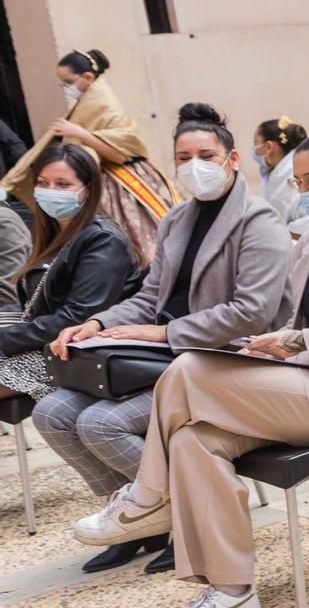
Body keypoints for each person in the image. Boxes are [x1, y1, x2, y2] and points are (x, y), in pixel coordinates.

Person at [73, 123, 309, 608]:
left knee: (189, 370)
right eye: (300, 182)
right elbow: (292, 320)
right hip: (302, 382)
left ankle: (148, 495)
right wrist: (266, 343)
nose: (303, 192)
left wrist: (300, 341)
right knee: (194, 442)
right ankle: (231, 594)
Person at [39, 103, 292, 577]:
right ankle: (139, 521)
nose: (193, 165)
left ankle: (186, 519)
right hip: (162, 356)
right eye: (183, 156)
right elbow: (151, 293)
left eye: (206, 154)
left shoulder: (261, 222)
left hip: (225, 360)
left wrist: (165, 331)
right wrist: (96, 325)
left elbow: (252, 312)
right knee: (50, 412)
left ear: (232, 160)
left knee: (100, 424)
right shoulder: (177, 219)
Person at [7, 50, 176, 267]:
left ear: (87, 77)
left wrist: (80, 133)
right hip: (105, 178)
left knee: (137, 240)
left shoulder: (104, 104)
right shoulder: (91, 100)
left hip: (124, 182)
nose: (66, 88)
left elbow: (121, 154)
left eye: (68, 82)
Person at [0, 144, 140, 404]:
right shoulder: (55, 233)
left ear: (88, 188)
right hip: (44, 340)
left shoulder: (102, 239)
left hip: (76, 350)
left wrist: (5, 338)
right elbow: (35, 303)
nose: (50, 191)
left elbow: (77, 317)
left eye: (63, 184)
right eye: (43, 183)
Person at [251, 117, 308, 226]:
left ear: (268, 146)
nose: (254, 149)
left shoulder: (295, 172)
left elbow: (308, 219)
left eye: (255, 142)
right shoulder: (273, 173)